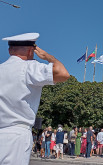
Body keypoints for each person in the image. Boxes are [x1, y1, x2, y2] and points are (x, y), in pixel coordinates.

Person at [0, 33, 70, 165]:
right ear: (31, 50)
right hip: (17, 134)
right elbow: (63, 73)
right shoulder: (29, 67)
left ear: (10, 50)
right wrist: (48, 57)